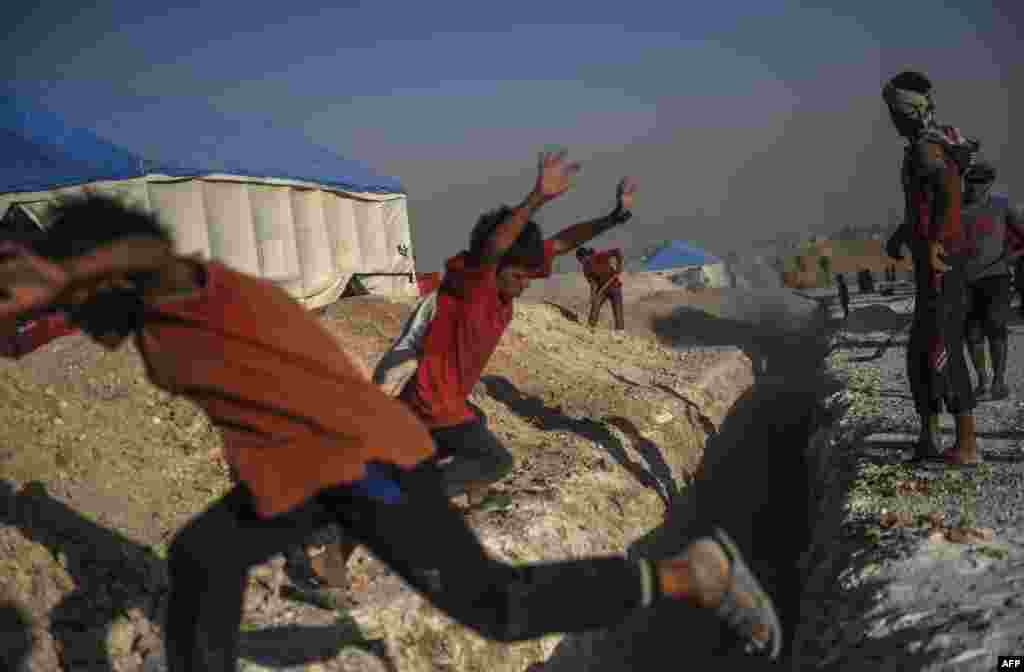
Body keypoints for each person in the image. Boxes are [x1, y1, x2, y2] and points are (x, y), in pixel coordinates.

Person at [0, 193, 785, 669]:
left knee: (495, 608)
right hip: (308, 469)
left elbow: (137, 258)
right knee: (205, 557)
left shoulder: (181, 291)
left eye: (18, 277)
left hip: (358, 460)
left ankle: (689, 575)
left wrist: (56, 269)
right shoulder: (155, 321)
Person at [399, 151, 637, 511]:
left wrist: (613, 218)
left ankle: (467, 492)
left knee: (475, 421)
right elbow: (496, 246)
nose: (526, 284)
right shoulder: (476, 283)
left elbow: (560, 243)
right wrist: (537, 197)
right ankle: (400, 503)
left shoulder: (509, 275)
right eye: (519, 276)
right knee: (496, 461)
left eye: (529, 274)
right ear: (495, 267)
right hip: (431, 402)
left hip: (438, 401)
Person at [882, 70, 979, 467]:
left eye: (894, 111)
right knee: (922, 349)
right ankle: (929, 436)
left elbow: (948, 195)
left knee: (943, 347)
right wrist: (904, 233)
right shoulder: (921, 147)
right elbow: (924, 204)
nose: (891, 119)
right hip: (931, 260)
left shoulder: (928, 150)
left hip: (943, 263)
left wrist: (938, 242)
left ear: (909, 113)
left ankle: (967, 443)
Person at [960, 160, 1024, 400]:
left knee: (996, 329)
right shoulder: (956, 206)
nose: (974, 187)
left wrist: (1012, 256)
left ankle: (999, 382)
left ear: (989, 184)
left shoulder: (1002, 205)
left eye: (979, 183)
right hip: (964, 280)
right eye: (970, 182)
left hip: (996, 277)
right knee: (972, 333)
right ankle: (982, 381)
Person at [577, 245, 625, 330]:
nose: (582, 262)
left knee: (617, 311)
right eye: (580, 261)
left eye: (582, 259)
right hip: (602, 289)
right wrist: (593, 296)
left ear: (586, 256)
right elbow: (593, 283)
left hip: (614, 286)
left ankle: (620, 332)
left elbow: (617, 251)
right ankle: (590, 327)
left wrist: (619, 266)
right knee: (595, 305)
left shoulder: (600, 255)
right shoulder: (586, 268)